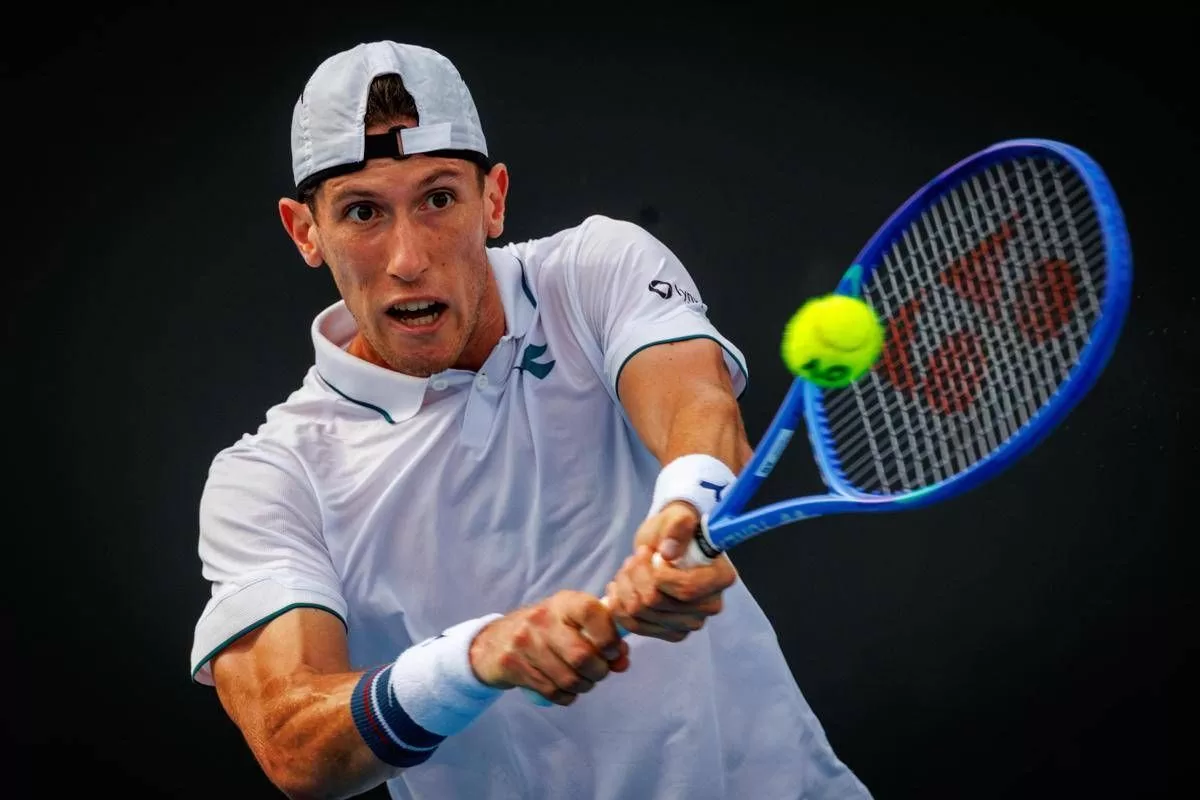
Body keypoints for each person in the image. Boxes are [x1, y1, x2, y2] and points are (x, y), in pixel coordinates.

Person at [189, 39, 873, 800]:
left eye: (438, 199)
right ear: (304, 231)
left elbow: (696, 402)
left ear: (494, 198)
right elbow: (295, 745)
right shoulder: (270, 477)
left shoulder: (593, 271)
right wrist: (476, 658)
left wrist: (687, 505)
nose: (408, 258)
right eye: (363, 212)